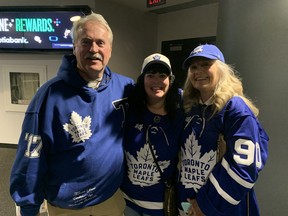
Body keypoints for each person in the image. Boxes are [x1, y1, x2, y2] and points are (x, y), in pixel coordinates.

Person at [10, 12, 134, 216]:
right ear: (74, 47)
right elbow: (30, 157)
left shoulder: (125, 88)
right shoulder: (49, 96)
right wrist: (28, 206)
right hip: (68, 207)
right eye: (86, 42)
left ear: (110, 49)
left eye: (100, 43)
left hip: (110, 199)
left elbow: (158, 96)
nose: (94, 49)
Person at [177, 44, 269, 216]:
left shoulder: (235, 108)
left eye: (206, 64)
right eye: (194, 67)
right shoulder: (190, 107)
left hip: (220, 208)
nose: (198, 71)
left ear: (221, 69)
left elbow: (245, 167)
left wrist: (205, 205)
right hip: (188, 204)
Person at [121, 53, 184, 216]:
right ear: (142, 80)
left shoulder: (181, 114)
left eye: (162, 75)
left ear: (170, 80)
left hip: (160, 206)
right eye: (150, 75)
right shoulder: (130, 111)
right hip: (128, 202)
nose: (156, 81)